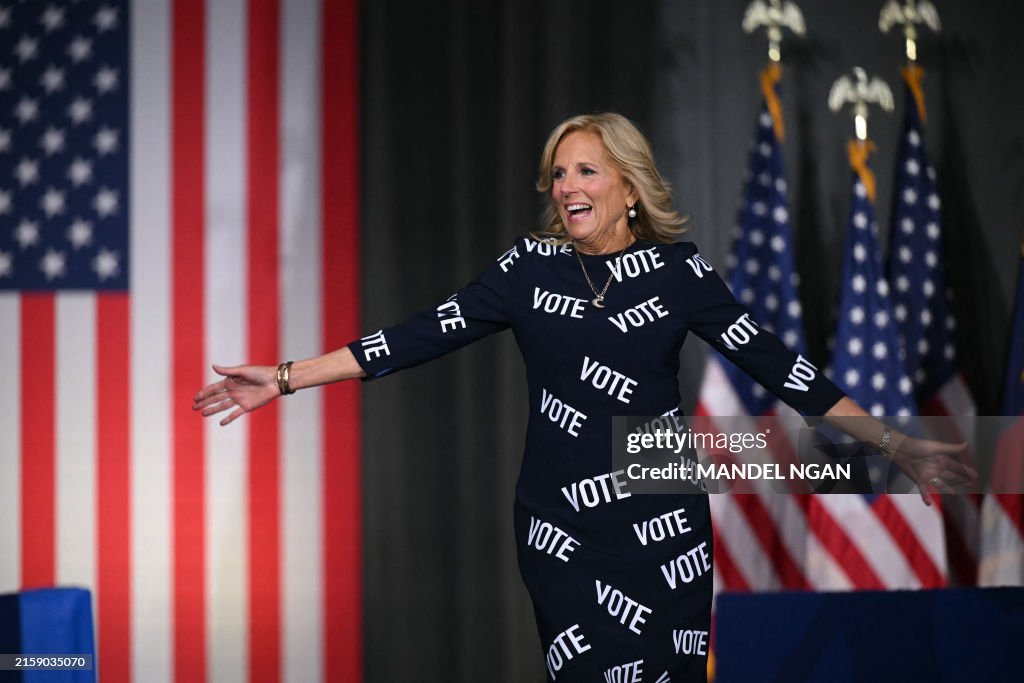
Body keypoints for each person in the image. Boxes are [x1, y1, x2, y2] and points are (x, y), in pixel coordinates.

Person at [193, 113, 973, 681]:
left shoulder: (681, 276)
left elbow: (787, 373)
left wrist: (894, 444)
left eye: (586, 170)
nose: (567, 185)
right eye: (559, 173)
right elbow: (414, 337)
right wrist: (287, 376)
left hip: (663, 512)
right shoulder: (527, 269)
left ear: (629, 187)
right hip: (560, 524)